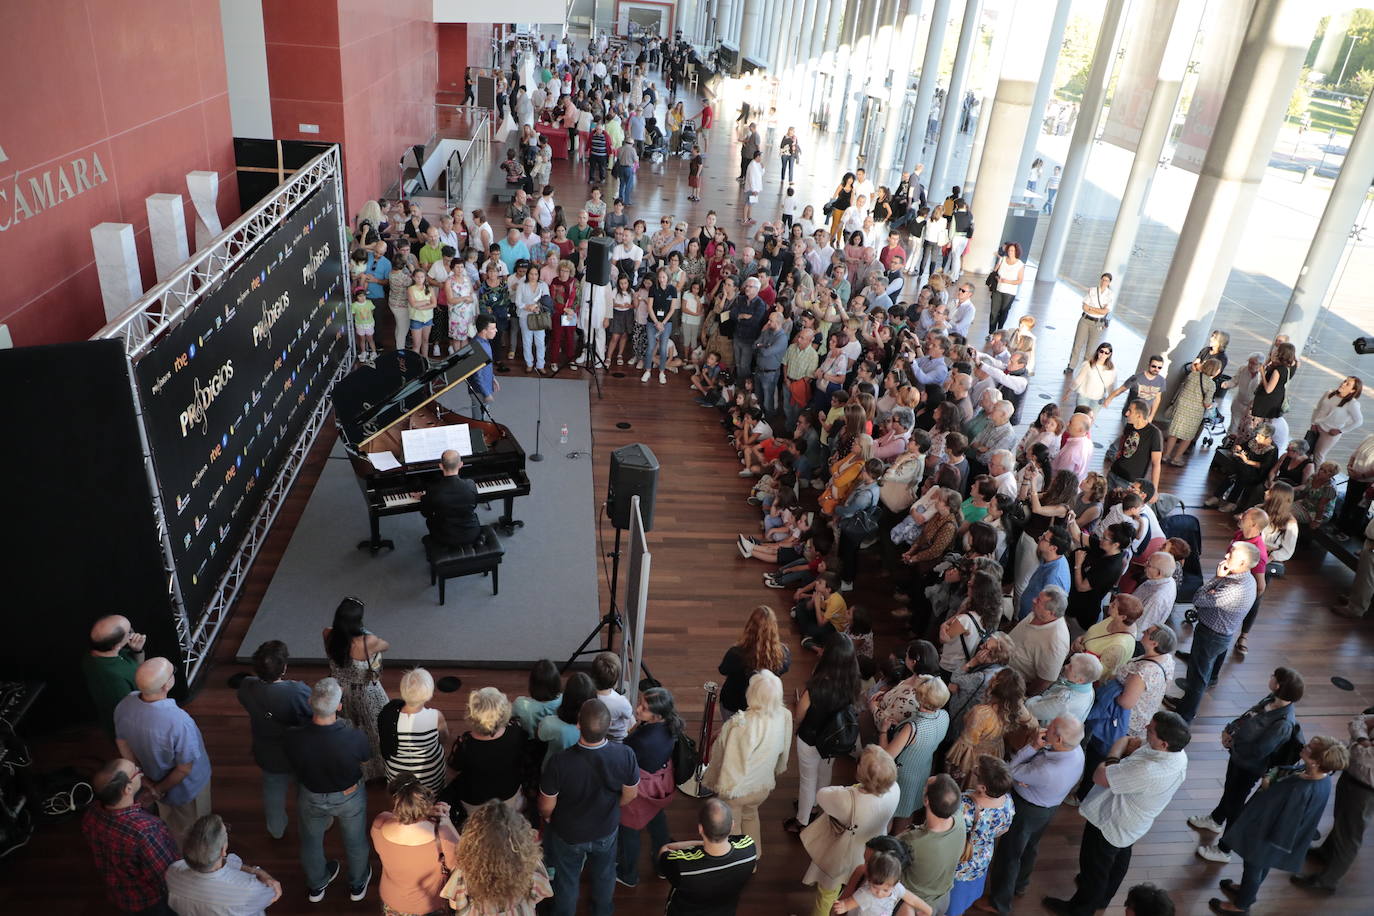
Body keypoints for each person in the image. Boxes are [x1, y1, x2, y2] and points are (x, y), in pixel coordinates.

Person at [1042, 711, 1191, 916]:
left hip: (1113, 822)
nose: (1147, 727)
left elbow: (1100, 776)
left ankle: (1080, 910)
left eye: (1152, 729)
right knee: (1119, 858)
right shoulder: (1179, 756)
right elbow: (1138, 748)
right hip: (1134, 822)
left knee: (1094, 867)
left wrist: (1116, 749)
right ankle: (1103, 896)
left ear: (1164, 744)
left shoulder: (1148, 770)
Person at [1208, 736, 1349, 914]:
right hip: (1271, 832)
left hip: (1269, 834)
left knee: (1253, 866)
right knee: (1260, 865)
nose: (1305, 747)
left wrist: (1268, 788)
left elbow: (1285, 818)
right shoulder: (1320, 776)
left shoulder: (1302, 790)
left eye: (1309, 748)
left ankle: (1241, 905)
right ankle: (1247, 891)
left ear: (1316, 762)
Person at [539, 699, 640, 916]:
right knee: (604, 874)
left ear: (578, 725)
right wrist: (611, 808)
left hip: (568, 833)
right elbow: (630, 795)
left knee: (567, 879)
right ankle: (602, 911)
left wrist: (548, 817)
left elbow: (547, 805)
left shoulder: (559, 762)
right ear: (608, 725)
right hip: (606, 829)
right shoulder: (626, 755)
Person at [1189, 667, 1303, 852]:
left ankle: (1225, 848)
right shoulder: (1271, 699)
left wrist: (1233, 743)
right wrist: (1229, 730)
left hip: (1249, 766)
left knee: (1235, 804)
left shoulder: (1283, 723)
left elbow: (1260, 751)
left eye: (1274, 676)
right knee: (1229, 791)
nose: (1271, 676)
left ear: (1279, 685)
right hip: (1238, 757)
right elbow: (1248, 716)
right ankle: (1216, 819)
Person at [982, 717, 1086, 914]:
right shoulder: (1077, 751)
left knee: (1009, 855)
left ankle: (999, 903)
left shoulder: (1047, 771)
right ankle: (1021, 883)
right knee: (1030, 846)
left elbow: (1009, 771)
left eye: (1051, 728)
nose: (1045, 729)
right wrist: (1026, 774)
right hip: (1048, 807)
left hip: (1027, 809)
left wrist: (1032, 747)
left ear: (1059, 740)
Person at [284, 677, 373, 904]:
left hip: (311, 794)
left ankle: (316, 885)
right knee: (355, 840)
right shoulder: (354, 737)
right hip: (348, 795)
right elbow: (366, 759)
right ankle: (357, 883)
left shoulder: (293, 736)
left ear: (310, 702)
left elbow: (291, 763)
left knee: (311, 840)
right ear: (339, 707)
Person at [114, 657, 212, 843]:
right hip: (186, 788)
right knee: (195, 831)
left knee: (169, 821)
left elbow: (122, 743)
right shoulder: (179, 722)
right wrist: (156, 790)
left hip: (153, 780)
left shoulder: (125, 705)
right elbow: (184, 768)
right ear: (167, 685)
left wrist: (146, 782)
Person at [1166, 541, 1260, 722]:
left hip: (1212, 636)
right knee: (1200, 672)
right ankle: (1185, 704)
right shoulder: (1246, 579)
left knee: (1197, 679)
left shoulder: (1234, 589)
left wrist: (1217, 578)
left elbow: (1198, 599)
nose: (1225, 557)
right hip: (1220, 633)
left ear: (1242, 563)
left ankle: (1185, 714)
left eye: (1230, 555)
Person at [701, 670, 790, 855]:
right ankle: (755, 854)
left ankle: (739, 860)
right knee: (750, 815)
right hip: (762, 785)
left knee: (732, 827)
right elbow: (784, 750)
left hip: (737, 789)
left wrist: (724, 789)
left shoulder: (742, 724)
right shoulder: (784, 715)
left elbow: (732, 762)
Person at [788, 632, 864, 833]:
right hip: (834, 740)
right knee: (825, 772)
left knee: (807, 779)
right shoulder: (853, 683)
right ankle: (816, 806)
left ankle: (802, 820)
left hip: (810, 737)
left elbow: (801, 713)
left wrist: (797, 726)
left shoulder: (818, 684)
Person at [83, 757, 179, 915]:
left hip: (119, 894)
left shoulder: (91, 813)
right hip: (149, 902)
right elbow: (165, 877)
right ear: (127, 789)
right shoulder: (146, 830)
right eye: (137, 772)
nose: (140, 774)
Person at [235, 640, 311, 840]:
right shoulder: (296, 692)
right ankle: (313, 824)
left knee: (272, 792)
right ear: (284, 668)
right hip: (297, 753)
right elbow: (312, 714)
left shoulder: (246, 687)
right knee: (306, 790)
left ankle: (276, 829)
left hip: (267, 751)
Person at [1292, 711, 1374, 892]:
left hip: (1367, 789)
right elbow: (1359, 719)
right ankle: (1326, 852)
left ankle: (1327, 881)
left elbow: (1364, 757)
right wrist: (1362, 738)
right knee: (1341, 820)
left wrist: (1359, 739)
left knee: (1350, 835)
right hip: (1353, 776)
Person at [616, 687, 684, 887]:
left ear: (656, 716)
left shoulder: (643, 741)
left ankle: (627, 874)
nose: (638, 709)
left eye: (644, 708)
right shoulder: (669, 726)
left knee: (629, 828)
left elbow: (624, 759)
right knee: (656, 819)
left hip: (641, 788)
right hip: (660, 782)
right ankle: (662, 864)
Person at [369, 774, 459, 916]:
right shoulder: (442, 835)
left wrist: (423, 813)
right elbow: (460, 861)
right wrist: (447, 822)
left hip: (392, 901)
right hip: (430, 905)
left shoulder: (380, 823)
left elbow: (397, 817)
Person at [441, 799, 552, 913]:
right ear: (520, 836)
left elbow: (457, 904)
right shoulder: (531, 863)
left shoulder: (465, 870)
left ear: (472, 839)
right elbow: (538, 895)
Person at [322, 597, 390, 781]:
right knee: (375, 730)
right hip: (366, 692)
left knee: (350, 730)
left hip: (340, 693)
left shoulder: (327, 633)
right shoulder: (367, 641)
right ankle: (381, 771)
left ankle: (360, 769)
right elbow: (385, 645)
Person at [164, 813, 281, 915]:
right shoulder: (250, 888)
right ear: (222, 851)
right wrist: (257, 871)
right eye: (226, 832)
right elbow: (271, 894)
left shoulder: (173, 871)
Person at [659, 798, 759, 915]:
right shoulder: (749, 851)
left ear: (701, 829)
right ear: (732, 825)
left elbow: (665, 850)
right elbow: (734, 841)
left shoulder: (681, 867)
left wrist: (703, 843)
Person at [943, 668, 1036, 789]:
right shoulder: (1015, 710)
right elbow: (1033, 726)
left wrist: (953, 768)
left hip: (976, 758)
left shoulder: (981, 713)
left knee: (966, 785)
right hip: (995, 752)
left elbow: (965, 746)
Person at [946, 756, 1015, 916]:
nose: (974, 770)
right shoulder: (1007, 801)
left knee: (953, 898)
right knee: (968, 891)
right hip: (982, 855)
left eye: (977, 773)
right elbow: (1003, 830)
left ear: (983, 788)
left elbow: (948, 830)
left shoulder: (964, 806)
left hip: (960, 857)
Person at [898, 774, 968, 916]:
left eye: (925, 787)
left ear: (926, 800)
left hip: (914, 905)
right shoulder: (959, 818)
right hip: (943, 898)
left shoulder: (911, 842)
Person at [378, 667, 449, 794]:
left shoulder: (389, 715)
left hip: (397, 780)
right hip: (430, 780)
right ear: (429, 694)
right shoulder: (435, 716)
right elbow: (443, 738)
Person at [717, 605, 792, 718]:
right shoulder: (783, 654)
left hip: (733, 704)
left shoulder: (736, 653)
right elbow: (785, 668)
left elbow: (723, 670)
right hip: (762, 706)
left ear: (749, 626)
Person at [83, 614, 146, 741]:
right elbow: (129, 713)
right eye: (129, 632)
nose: (133, 633)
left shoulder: (101, 653)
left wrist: (137, 651)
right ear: (116, 645)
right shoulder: (112, 679)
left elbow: (133, 668)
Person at [1007, 586, 1070, 695]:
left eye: (1039, 601)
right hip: (1000, 665)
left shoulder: (1056, 642)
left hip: (1011, 684)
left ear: (1051, 613)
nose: (1034, 600)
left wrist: (1025, 696)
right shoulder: (1037, 613)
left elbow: (1045, 681)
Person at [419, 448, 480, 549]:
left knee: (430, 520)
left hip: (445, 537)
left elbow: (426, 514)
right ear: (461, 465)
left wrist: (423, 498)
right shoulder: (470, 485)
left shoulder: (433, 490)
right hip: (472, 533)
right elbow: (474, 505)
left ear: (441, 466)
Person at [1026, 654, 1101, 725]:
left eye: (1070, 667)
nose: (1065, 666)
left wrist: (1037, 696)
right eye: (1069, 663)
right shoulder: (1088, 687)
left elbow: (1030, 710)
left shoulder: (1065, 701)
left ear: (1080, 680)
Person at [1107, 399, 1162, 495]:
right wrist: (1120, 450)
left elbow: (1156, 463)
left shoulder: (1154, 433)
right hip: (1113, 473)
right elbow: (1124, 440)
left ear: (1139, 416)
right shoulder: (1129, 425)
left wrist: (1154, 491)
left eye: (1130, 411)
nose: (1126, 413)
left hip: (1129, 482)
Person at [1307, 375, 1363, 464]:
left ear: (1353, 390)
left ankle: (1318, 476)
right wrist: (1313, 423)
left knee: (1318, 455)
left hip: (1329, 434)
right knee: (1307, 451)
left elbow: (1359, 421)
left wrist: (1341, 430)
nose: (1343, 384)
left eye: (1347, 384)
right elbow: (1318, 408)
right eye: (1345, 381)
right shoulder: (1329, 393)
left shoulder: (1352, 404)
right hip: (1317, 427)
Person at [1066, 274, 1114, 373]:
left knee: (1091, 348)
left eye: (1106, 280)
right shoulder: (1092, 290)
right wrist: (1098, 309)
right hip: (1085, 320)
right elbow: (1084, 307)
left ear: (1109, 282)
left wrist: (1092, 308)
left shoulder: (1110, 295)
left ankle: (1085, 368)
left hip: (1097, 323)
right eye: (1103, 279)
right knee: (1078, 344)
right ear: (1100, 280)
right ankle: (1071, 366)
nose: (1104, 282)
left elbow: (1104, 311)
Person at [987, 243, 1024, 333]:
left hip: (1010, 293)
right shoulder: (1002, 259)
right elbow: (994, 272)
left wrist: (1007, 281)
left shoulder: (1020, 264)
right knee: (993, 312)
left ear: (1016, 252)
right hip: (998, 290)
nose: (1010, 252)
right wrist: (997, 278)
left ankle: (999, 332)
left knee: (1003, 313)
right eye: (1009, 250)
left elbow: (1019, 281)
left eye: (1012, 250)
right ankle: (991, 333)